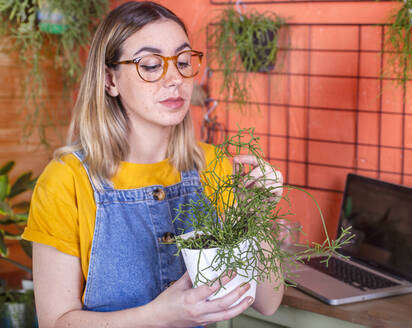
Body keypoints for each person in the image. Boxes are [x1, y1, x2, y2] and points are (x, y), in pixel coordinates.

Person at [22, 2, 284, 327]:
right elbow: (56, 322)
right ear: (110, 80)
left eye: (184, 61)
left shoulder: (214, 166)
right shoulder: (66, 181)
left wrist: (256, 215)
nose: (175, 78)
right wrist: (158, 316)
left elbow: (268, 302)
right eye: (150, 65)